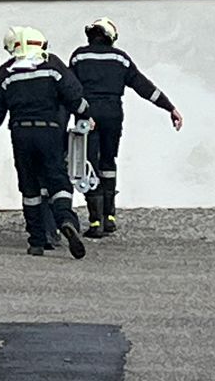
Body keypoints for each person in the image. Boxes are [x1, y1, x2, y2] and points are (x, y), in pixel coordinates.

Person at [0, 26, 89, 259]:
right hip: (49, 131)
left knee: (29, 187)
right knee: (57, 179)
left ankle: (36, 241)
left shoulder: (9, 73)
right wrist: (85, 115)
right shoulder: (53, 66)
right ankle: (65, 220)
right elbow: (73, 94)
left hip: (21, 133)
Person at [67, 18, 182, 238]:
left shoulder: (79, 56)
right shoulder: (120, 58)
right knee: (108, 162)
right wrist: (169, 107)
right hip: (113, 113)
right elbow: (143, 86)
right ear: (111, 37)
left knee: (89, 164)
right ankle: (109, 217)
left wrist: (72, 115)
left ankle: (95, 222)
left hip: (88, 114)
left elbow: (69, 89)